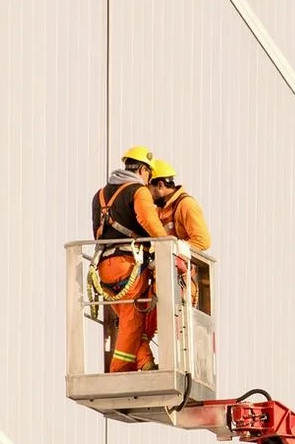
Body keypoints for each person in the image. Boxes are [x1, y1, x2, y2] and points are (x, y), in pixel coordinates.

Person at [90, 146, 168, 372]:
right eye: (149, 174)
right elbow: (151, 225)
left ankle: (145, 363)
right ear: (143, 170)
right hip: (129, 267)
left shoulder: (100, 194)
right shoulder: (138, 190)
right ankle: (118, 371)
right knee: (132, 321)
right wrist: (170, 247)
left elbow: (97, 231)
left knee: (129, 320)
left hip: (104, 270)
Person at [140, 158, 213, 349]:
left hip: (183, 280)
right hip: (163, 280)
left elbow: (202, 241)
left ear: (161, 185)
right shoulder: (160, 210)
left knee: (177, 335)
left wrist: (173, 251)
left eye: (149, 188)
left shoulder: (185, 205)